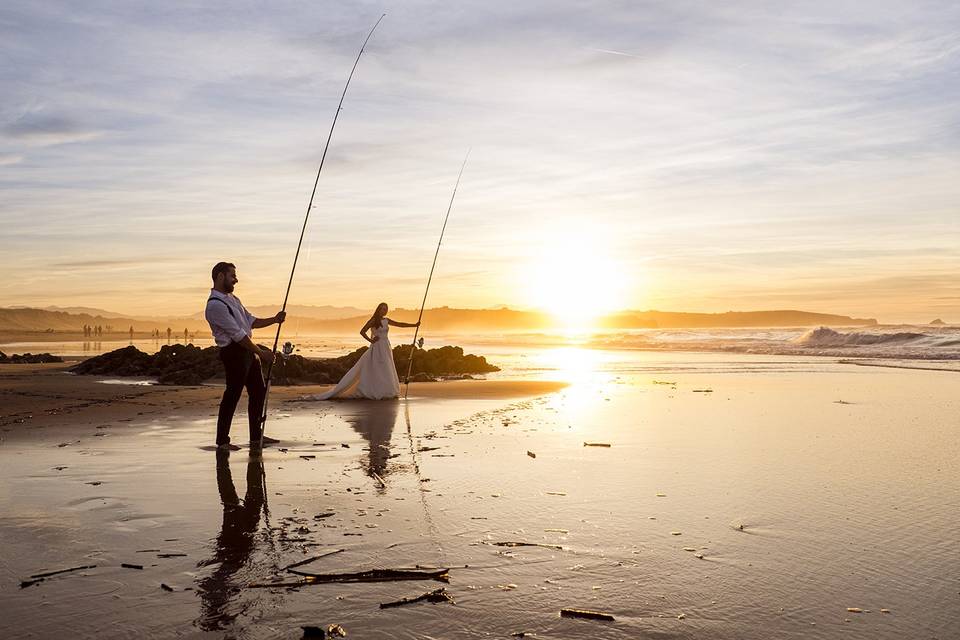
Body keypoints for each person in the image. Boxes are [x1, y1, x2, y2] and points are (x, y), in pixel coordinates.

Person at [204, 261, 285, 451]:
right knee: (232, 395)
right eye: (232, 275)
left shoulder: (234, 299)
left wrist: (275, 319)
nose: (236, 279)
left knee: (258, 392)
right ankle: (222, 441)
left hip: (248, 352)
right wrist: (261, 353)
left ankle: (256, 437)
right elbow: (238, 335)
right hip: (233, 353)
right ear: (220, 276)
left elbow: (251, 322)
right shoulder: (215, 305)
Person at [302, 302, 418, 400]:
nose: (384, 311)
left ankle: (387, 391)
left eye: (386, 309)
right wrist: (371, 340)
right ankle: (374, 390)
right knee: (376, 368)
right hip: (377, 347)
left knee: (386, 368)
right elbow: (362, 331)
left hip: (386, 346)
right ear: (378, 310)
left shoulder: (386, 320)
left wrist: (415, 325)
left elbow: (401, 324)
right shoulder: (373, 320)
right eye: (382, 309)